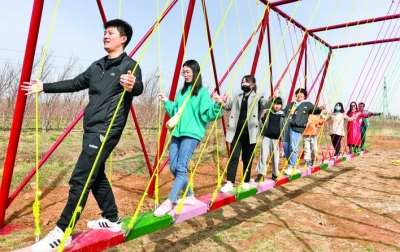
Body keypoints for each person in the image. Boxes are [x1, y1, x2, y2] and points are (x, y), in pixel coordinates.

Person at [22, 19, 143, 252]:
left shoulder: (130, 65)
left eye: (110, 33)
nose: (105, 36)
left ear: (123, 38)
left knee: (81, 178)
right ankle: (112, 220)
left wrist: (132, 85)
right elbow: (75, 83)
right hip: (91, 129)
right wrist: (44, 87)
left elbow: (138, 87)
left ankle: (62, 232)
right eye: (104, 33)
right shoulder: (97, 66)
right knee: (95, 175)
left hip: (106, 130)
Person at [154, 60, 228, 217]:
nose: (185, 74)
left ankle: (169, 202)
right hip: (177, 132)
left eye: (188, 71)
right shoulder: (182, 92)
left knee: (181, 167)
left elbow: (208, 113)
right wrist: (166, 100)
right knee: (173, 167)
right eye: (184, 72)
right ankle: (189, 195)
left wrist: (218, 104)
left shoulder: (201, 92)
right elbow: (176, 110)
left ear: (195, 72)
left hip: (192, 133)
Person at [220, 75, 273, 193]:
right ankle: (229, 182)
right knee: (233, 157)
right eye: (242, 82)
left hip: (250, 134)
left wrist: (273, 99)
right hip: (236, 132)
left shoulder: (258, 98)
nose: (244, 84)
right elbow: (228, 107)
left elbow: (267, 103)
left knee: (247, 158)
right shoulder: (238, 97)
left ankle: (245, 181)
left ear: (252, 85)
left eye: (246, 82)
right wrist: (220, 100)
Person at [282, 88, 325, 176]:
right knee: (286, 147)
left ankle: (291, 166)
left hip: (297, 128)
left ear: (304, 96)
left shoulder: (307, 104)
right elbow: (283, 113)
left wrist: (320, 108)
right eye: (298, 93)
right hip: (287, 127)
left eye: (302, 94)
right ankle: (292, 163)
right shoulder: (290, 105)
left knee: (293, 147)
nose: (300, 95)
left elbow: (314, 110)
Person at [255, 97, 285, 183]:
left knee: (275, 157)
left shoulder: (283, 115)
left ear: (281, 105)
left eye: (278, 104)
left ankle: (275, 174)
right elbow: (262, 121)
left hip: (276, 139)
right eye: (275, 104)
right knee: (263, 155)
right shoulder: (268, 112)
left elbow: (286, 126)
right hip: (266, 137)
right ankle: (261, 174)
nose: (276, 106)